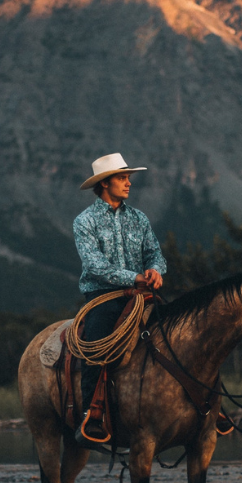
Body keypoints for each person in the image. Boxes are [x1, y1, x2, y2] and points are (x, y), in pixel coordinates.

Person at [73, 153, 166, 448]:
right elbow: (95, 265)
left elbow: (155, 252)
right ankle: (93, 414)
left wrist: (155, 270)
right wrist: (136, 278)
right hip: (103, 295)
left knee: (184, 331)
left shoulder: (139, 218)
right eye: (122, 178)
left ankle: (203, 405)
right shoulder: (84, 222)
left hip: (142, 294)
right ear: (104, 183)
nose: (128, 183)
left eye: (127, 178)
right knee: (96, 346)